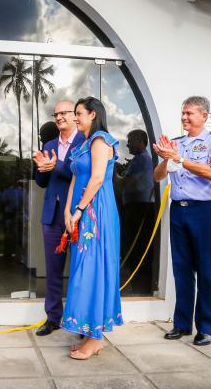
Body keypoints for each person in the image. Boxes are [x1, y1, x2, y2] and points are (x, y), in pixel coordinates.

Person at [153, 96, 211, 346]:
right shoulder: (176, 143)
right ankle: (181, 324)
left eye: (189, 114)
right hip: (179, 210)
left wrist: (180, 159)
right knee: (181, 270)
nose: (184, 117)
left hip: (204, 211)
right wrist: (166, 158)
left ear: (204, 115)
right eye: (183, 113)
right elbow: (157, 176)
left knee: (205, 270)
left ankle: (205, 327)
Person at [61, 97, 122, 359]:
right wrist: (67, 210)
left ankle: (95, 338)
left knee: (93, 269)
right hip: (80, 214)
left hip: (96, 212)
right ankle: (87, 332)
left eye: (79, 113)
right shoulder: (83, 143)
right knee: (81, 268)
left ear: (93, 114)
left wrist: (79, 209)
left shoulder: (100, 140)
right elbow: (75, 178)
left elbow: (97, 178)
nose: (76, 118)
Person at [32, 100, 84, 336]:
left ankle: (82, 321)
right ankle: (53, 318)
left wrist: (55, 166)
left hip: (78, 216)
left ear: (75, 116)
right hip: (51, 216)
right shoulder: (49, 144)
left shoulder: (86, 141)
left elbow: (77, 174)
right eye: (56, 114)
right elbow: (42, 182)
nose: (59, 117)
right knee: (53, 270)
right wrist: (41, 168)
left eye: (64, 112)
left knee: (81, 270)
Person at [120, 129, 155, 293]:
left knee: (134, 247)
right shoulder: (139, 159)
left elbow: (127, 183)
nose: (127, 144)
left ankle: (138, 286)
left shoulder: (142, 160)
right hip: (136, 206)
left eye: (130, 140)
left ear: (140, 141)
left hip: (139, 208)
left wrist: (111, 173)